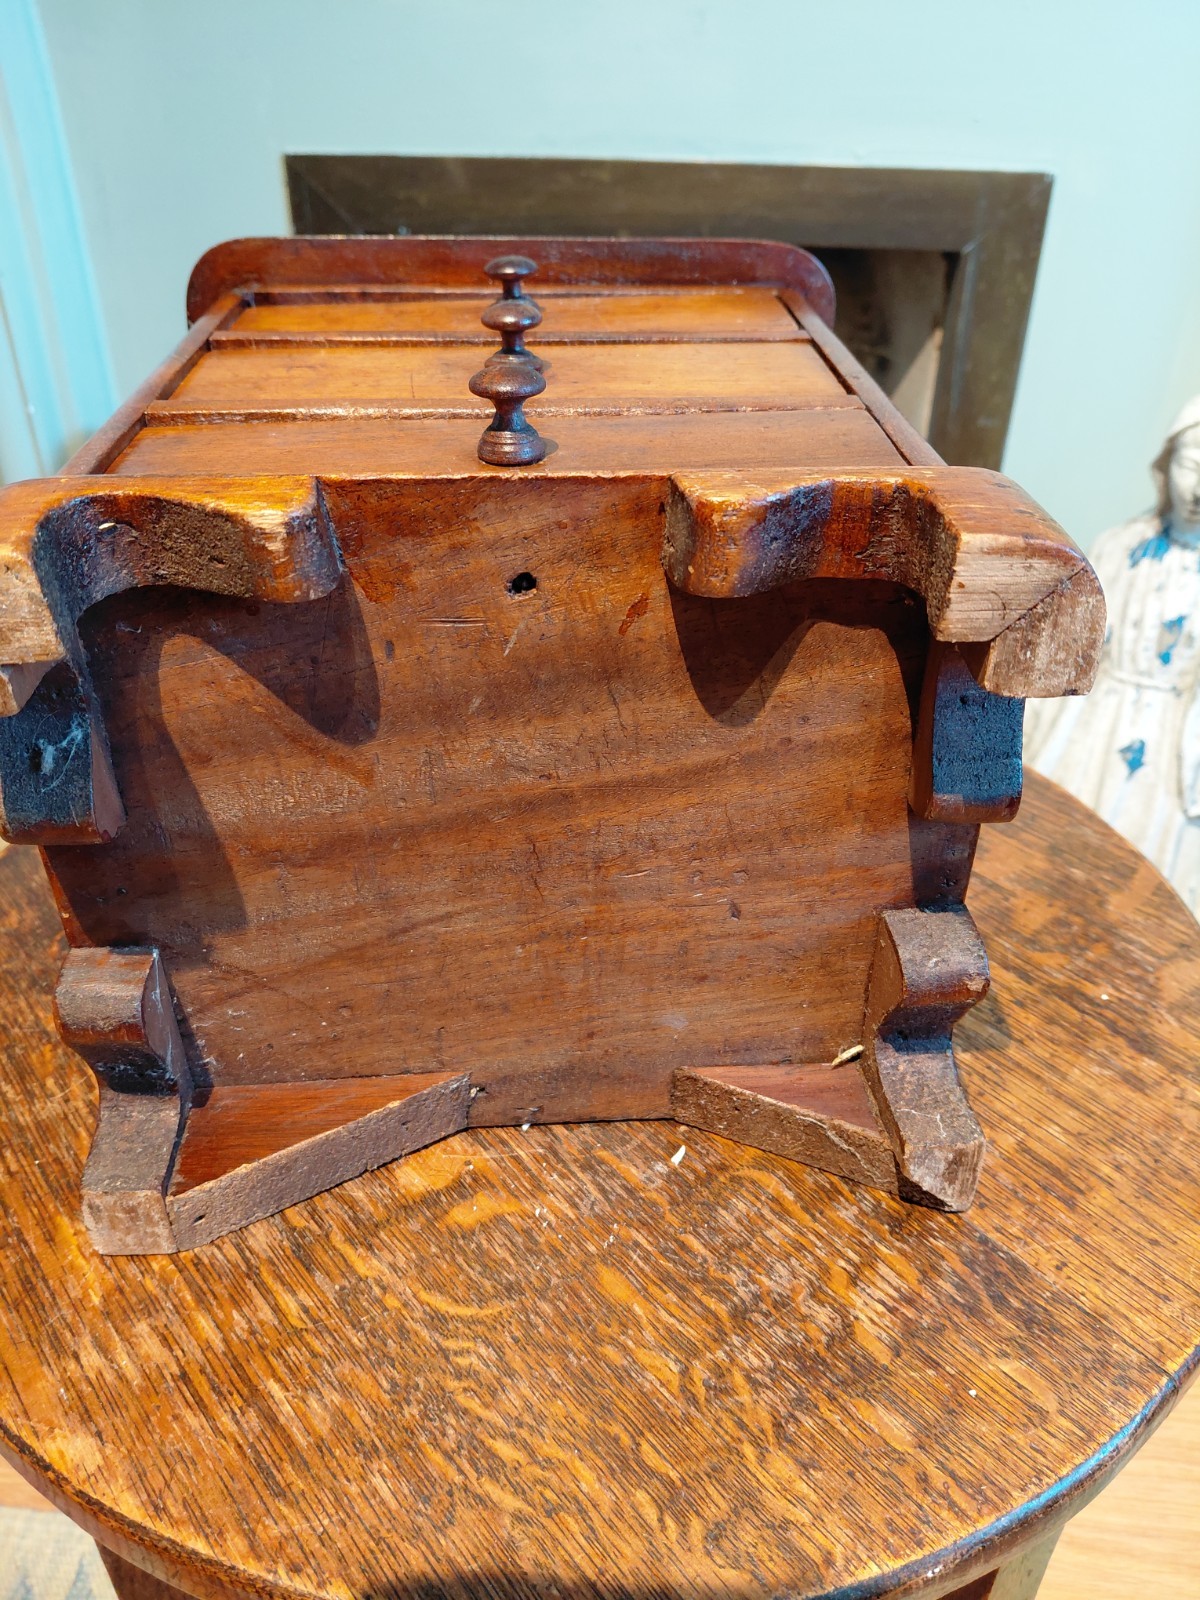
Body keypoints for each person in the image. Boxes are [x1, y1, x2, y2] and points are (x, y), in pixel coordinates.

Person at [1025, 396, 1200, 910]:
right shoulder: (1120, 546)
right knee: (1063, 855)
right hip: (1097, 718)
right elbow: (1078, 644)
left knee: (1147, 878)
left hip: (1175, 737)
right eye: (1191, 464)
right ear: (1166, 466)